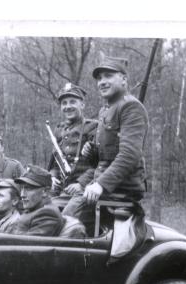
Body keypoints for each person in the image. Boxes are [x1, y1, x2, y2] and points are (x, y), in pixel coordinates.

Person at [63, 56, 149, 257]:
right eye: (99, 78)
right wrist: (91, 152)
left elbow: (129, 155)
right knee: (55, 206)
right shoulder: (106, 110)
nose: (102, 82)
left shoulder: (131, 107)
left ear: (124, 80)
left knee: (67, 220)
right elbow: (105, 158)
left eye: (108, 76)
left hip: (120, 190)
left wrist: (100, 184)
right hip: (103, 187)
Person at [0, 165, 65, 237]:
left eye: (28, 189)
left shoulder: (48, 214)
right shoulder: (33, 209)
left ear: (45, 191)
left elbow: (20, 245)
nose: (22, 194)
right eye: (22, 188)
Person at [48, 82, 97, 197]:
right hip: (60, 188)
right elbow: (56, 163)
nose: (68, 106)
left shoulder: (93, 127)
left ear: (82, 105)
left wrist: (81, 183)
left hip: (84, 189)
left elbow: (100, 164)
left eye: (72, 102)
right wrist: (52, 177)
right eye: (64, 103)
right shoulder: (59, 130)